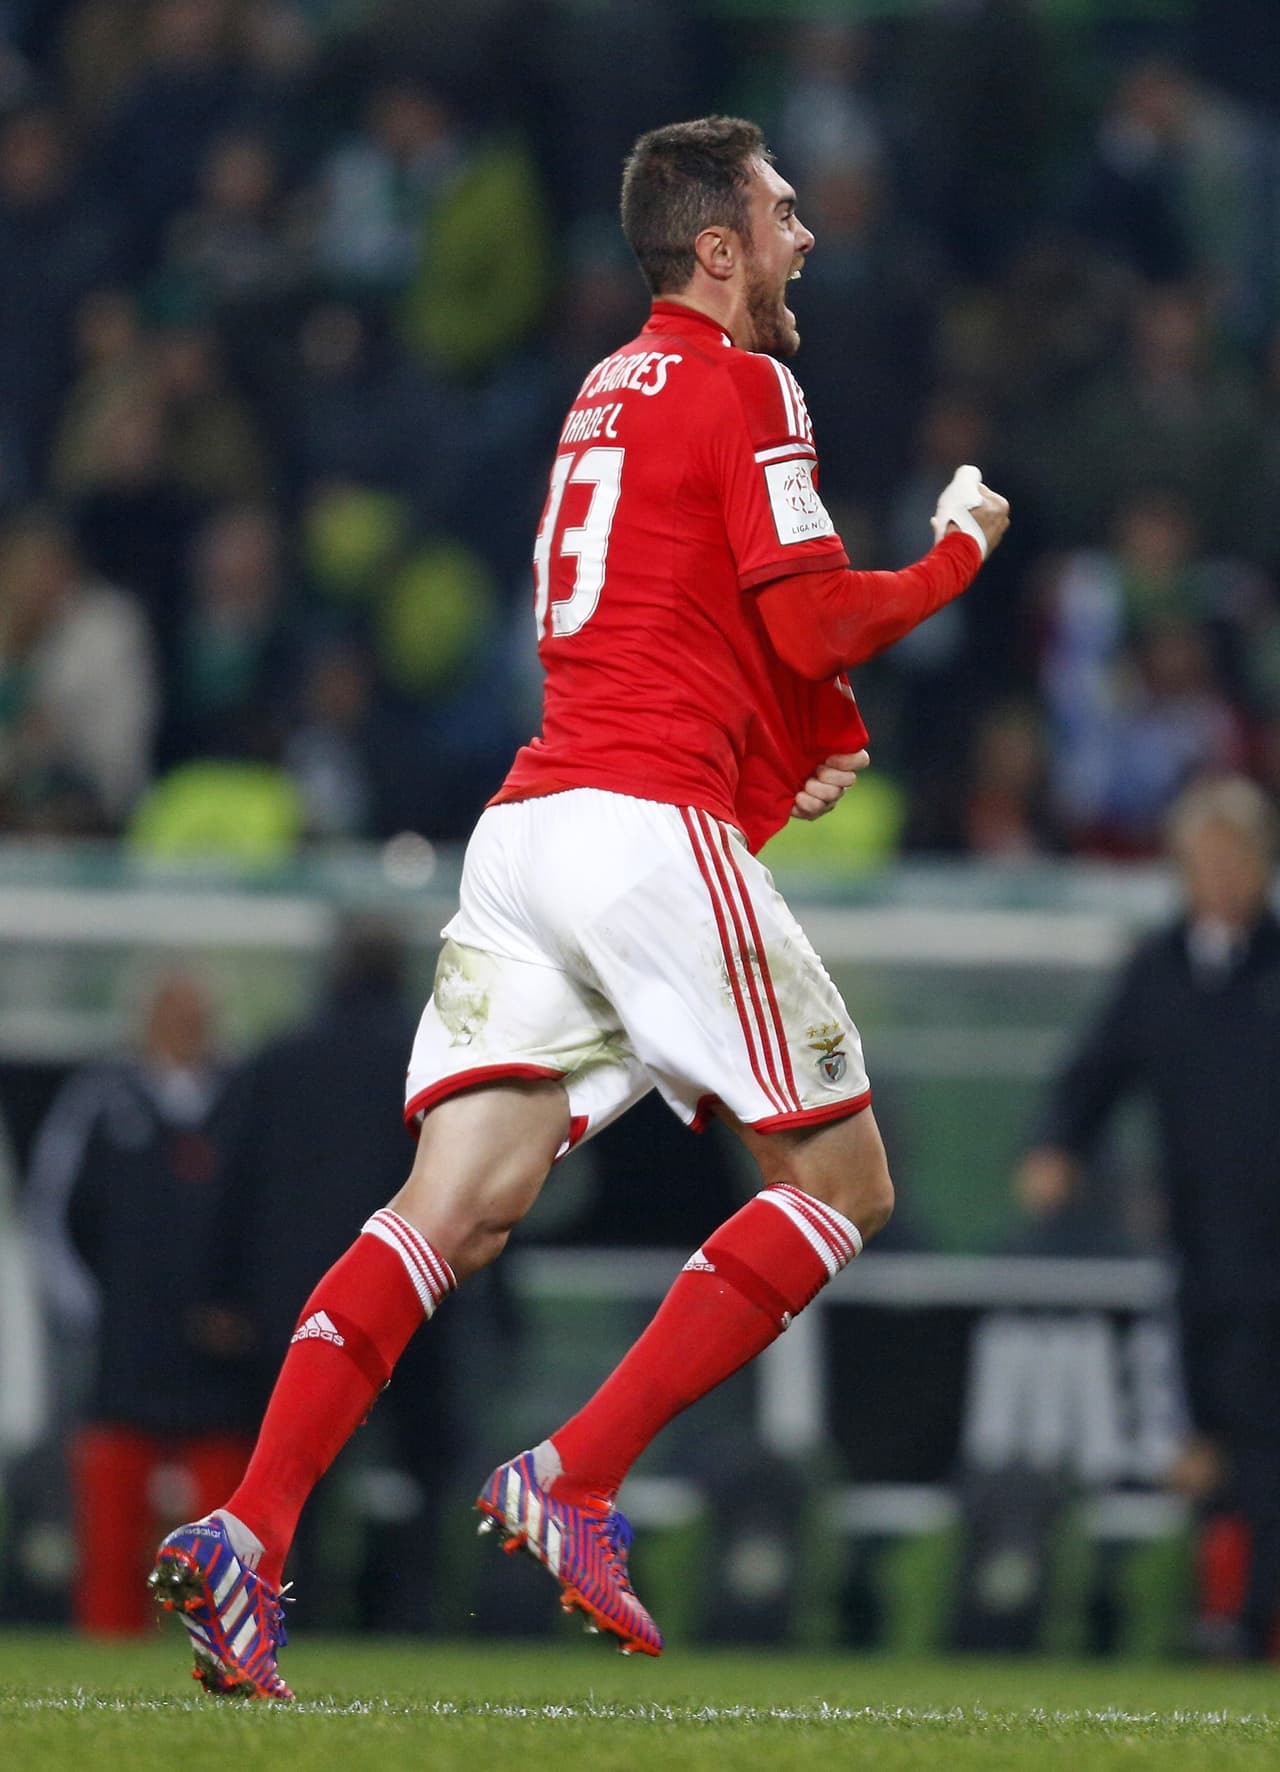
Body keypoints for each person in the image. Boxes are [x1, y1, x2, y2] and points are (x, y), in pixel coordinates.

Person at [149, 114, 1008, 1701]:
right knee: (845, 1181)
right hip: (633, 831)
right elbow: (813, 616)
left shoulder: (601, 394)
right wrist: (956, 554)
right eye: (783, 210)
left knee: (447, 1212)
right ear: (716, 248)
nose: (806, 236)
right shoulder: (751, 380)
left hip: (531, 831)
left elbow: (673, 623)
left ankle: (251, 1537)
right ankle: (580, 1476)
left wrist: (774, 765)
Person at [1015, 774, 1280, 1659]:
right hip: (1200, 1243)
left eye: (1236, 854)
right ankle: (1222, 1610)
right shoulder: (1158, 969)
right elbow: (1096, 1071)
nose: (1221, 872)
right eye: (1205, 855)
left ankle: (1243, 1618)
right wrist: (1059, 1147)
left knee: (1259, 1424)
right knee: (1210, 1427)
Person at [23, 971, 253, 1634]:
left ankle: (226, 1644)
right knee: (112, 1521)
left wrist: (253, 1310)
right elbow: (53, 1212)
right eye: (172, 1012)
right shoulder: (102, 1100)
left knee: (224, 1527)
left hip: (217, 1360)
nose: (186, 1027)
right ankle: (109, 1637)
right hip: (124, 1356)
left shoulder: (239, 1099)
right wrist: (89, 1312)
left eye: (197, 1013)